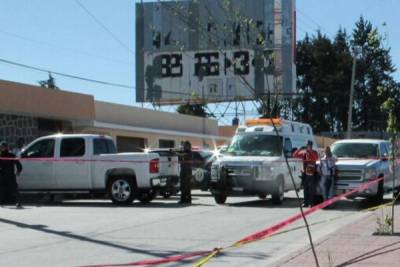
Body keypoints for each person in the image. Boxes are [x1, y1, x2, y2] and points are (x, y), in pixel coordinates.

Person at [293, 140, 319, 207]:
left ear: (311, 146)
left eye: (309, 145)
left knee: (311, 189)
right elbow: (295, 155)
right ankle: (305, 202)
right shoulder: (304, 153)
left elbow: (316, 158)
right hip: (305, 173)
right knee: (305, 189)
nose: (308, 146)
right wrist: (299, 149)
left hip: (312, 173)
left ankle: (311, 203)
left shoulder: (314, 152)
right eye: (307, 145)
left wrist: (310, 151)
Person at [0, 141, 23, 208]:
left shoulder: (11, 155)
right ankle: (1, 202)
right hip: (2, 174)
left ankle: (18, 202)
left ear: (6, 147)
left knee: (14, 189)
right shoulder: (0, 155)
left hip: (10, 175)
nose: (2, 148)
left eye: (3, 147)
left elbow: (18, 164)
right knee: (1, 189)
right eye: (1, 147)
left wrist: (18, 171)